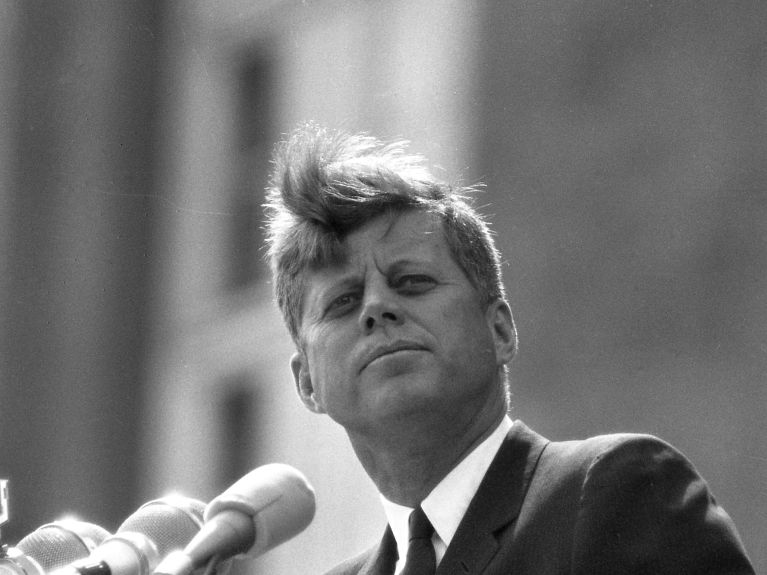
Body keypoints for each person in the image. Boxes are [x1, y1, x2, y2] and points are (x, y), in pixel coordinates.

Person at [263, 124, 754, 574]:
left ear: (499, 330)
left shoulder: (610, 491)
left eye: (411, 282)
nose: (376, 309)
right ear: (307, 382)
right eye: (343, 302)